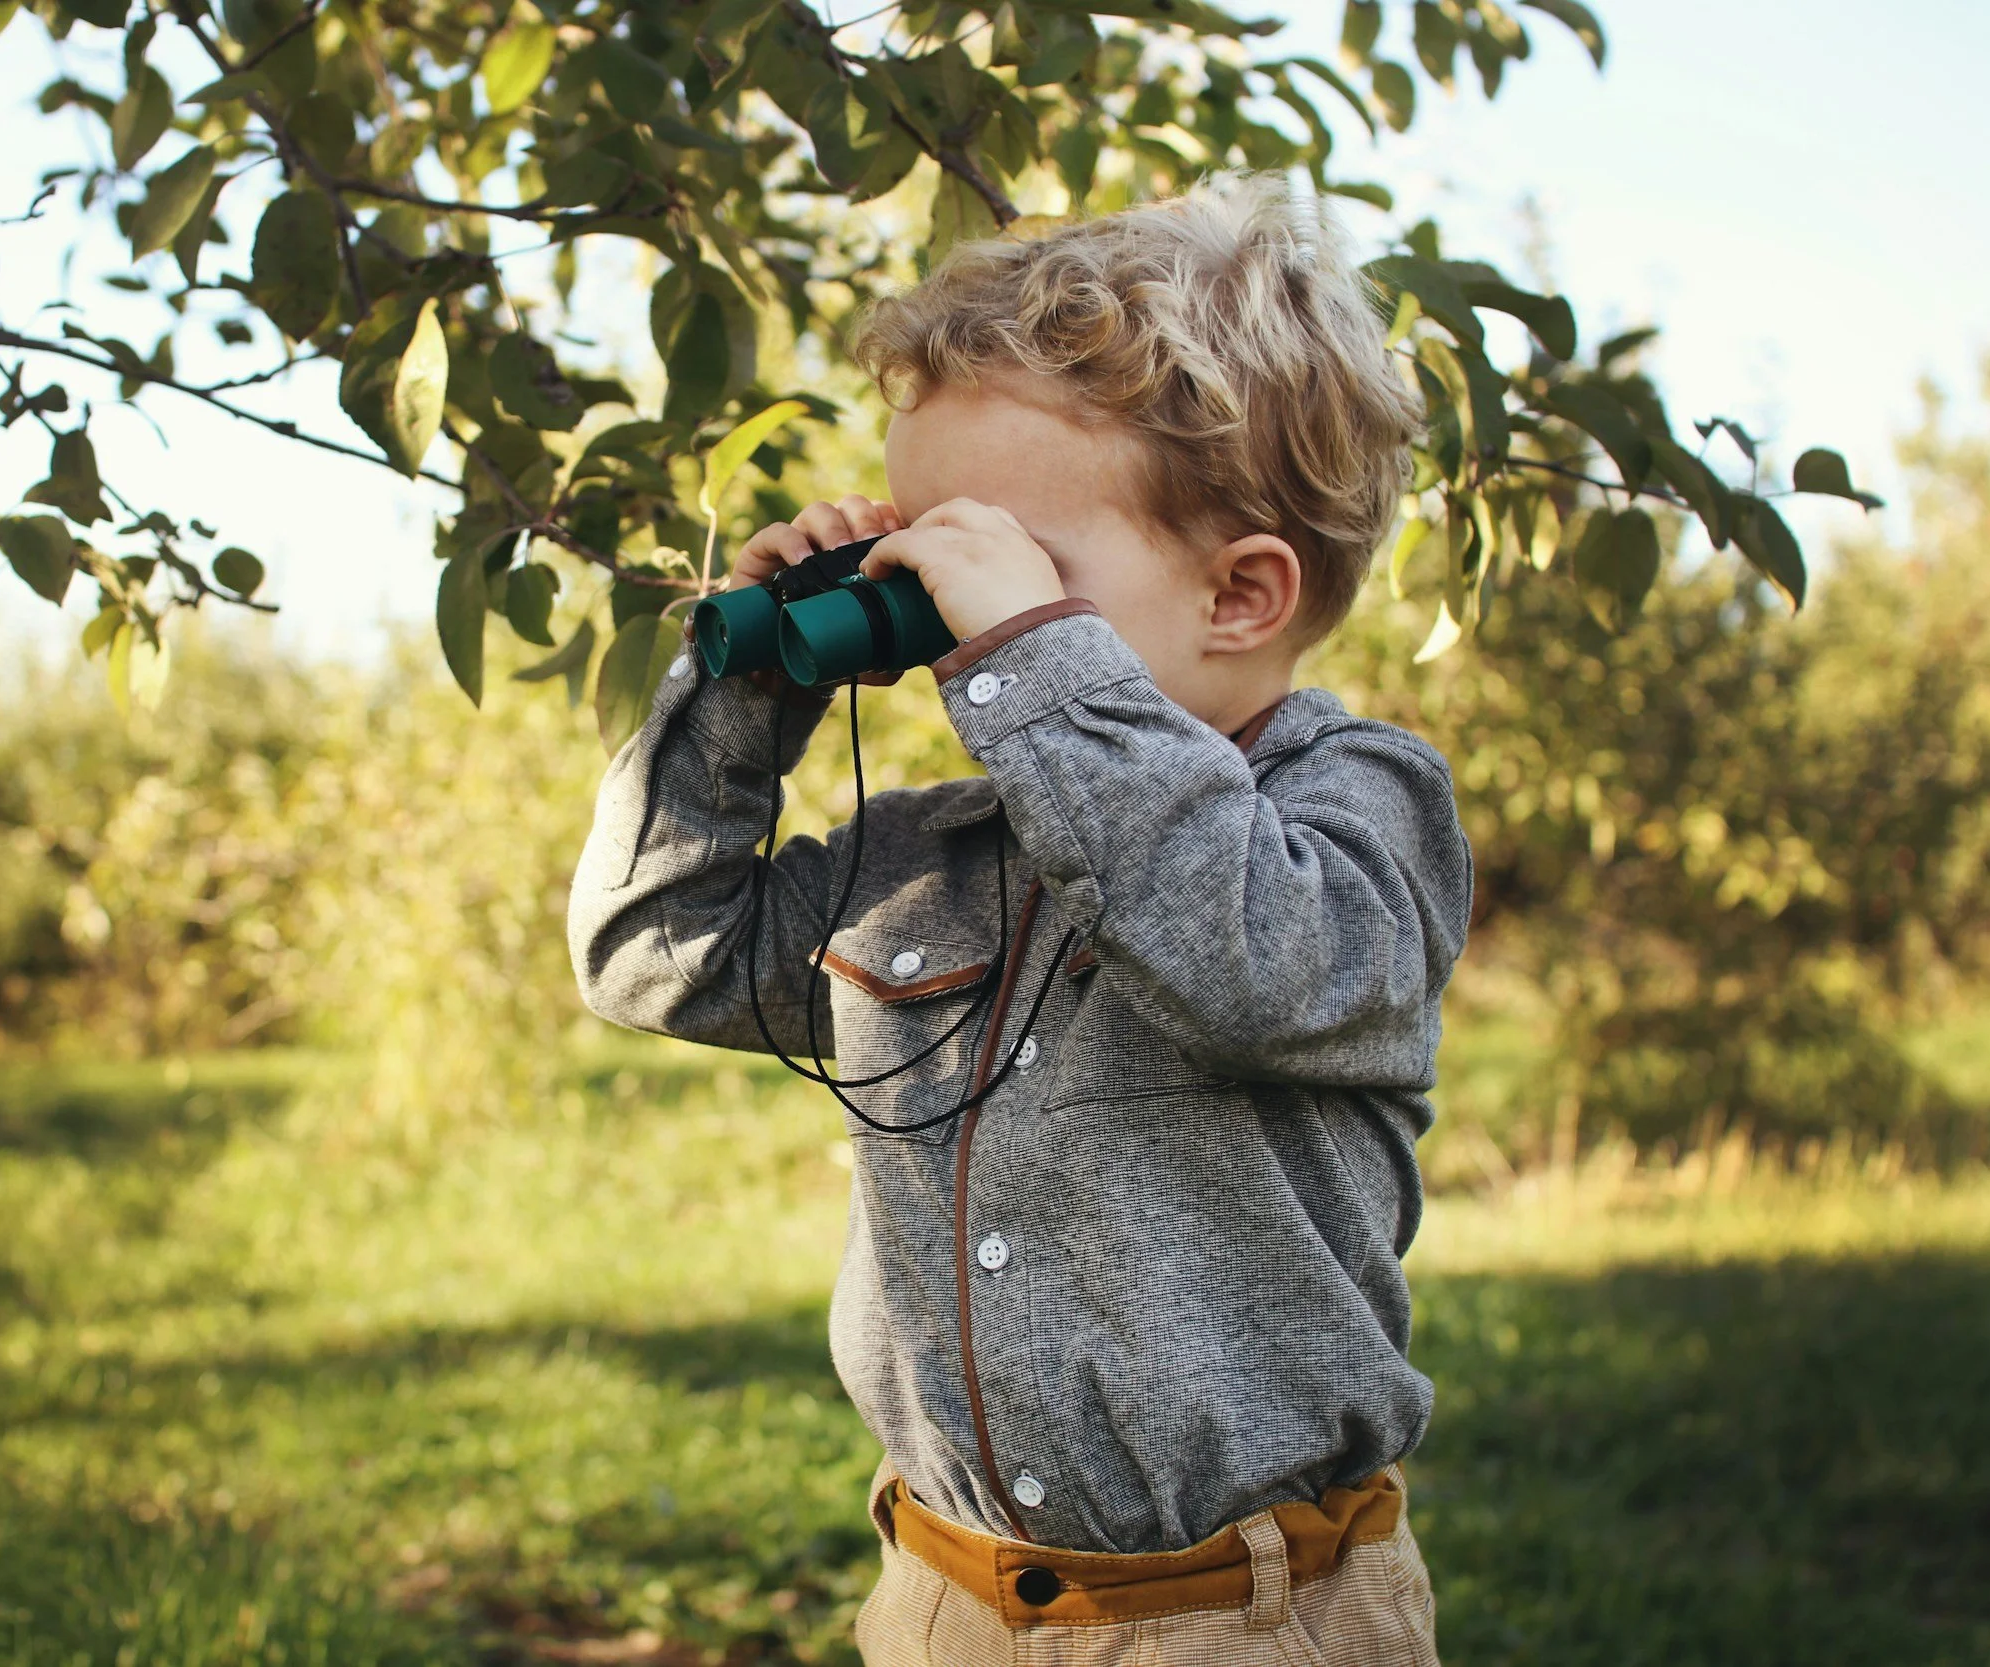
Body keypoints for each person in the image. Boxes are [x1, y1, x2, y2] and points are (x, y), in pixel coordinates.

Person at [565, 168, 1473, 1667]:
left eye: (1007, 567)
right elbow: (651, 950)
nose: (946, 614)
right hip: (944, 1601)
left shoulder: (1359, 806)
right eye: (924, 552)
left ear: (1243, 594)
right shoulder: (924, 855)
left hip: (1246, 1621)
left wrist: (1033, 659)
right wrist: (749, 691)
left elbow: (1249, 958)